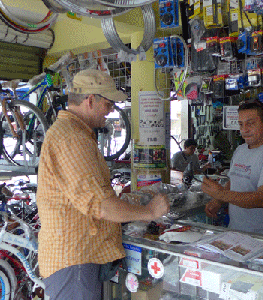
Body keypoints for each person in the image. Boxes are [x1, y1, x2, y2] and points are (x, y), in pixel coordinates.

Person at [36, 69, 170, 300]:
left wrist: (128, 200)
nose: (111, 111)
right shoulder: (72, 139)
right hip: (74, 261)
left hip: (78, 259)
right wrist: (149, 212)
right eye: (108, 104)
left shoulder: (76, 134)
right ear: (90, 100)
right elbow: (101, 206)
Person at [202, 100, 263, 237]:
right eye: (241, 124)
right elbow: (234, 181)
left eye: (251, 123)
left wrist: (221, 194)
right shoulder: (240, 149)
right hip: (235, 231)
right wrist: (218, 201)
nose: (244, 130)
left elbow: (262, 199)